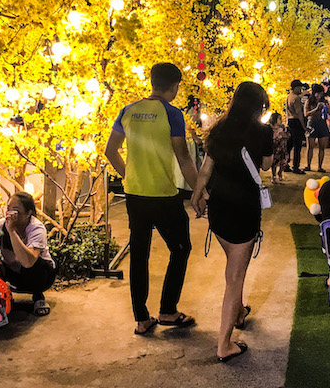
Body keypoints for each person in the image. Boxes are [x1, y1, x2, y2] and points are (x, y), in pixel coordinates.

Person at [105, 62, 198, 336]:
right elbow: (183, 158)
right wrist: (201, 192)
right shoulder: (172, 114)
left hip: (135, 195)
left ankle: (142, 319)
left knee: (139, 255)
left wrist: (128, 176)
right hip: (163, 195)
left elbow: (111, 151)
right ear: (175, 86)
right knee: (180, 249)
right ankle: (168, 311)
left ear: (152, 81)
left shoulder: (128, 110)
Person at [191, 82, 273, 363]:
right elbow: (265, 166)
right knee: (235, 277)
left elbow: (206, 167)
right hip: (244, 209)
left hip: (219, 207)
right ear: (258, 105)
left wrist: (198, 193)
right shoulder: (262, 131)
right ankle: (224, 344)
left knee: (234, 265)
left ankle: (238, 314)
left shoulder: (218, 130)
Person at [0, 192, 57, 315]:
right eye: (8, 209)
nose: (10, 214)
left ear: (28, 213)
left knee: (34, 260)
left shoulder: (36, 228)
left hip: (39, 275)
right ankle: (3, 296)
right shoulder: (2, 225)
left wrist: (12, 232)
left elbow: (28, 262)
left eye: (15, 211)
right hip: (13, 272)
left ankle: (38, 295)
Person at [304, 83, 330, 172]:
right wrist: (316, 109)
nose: (319, 95)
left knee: (322, 147)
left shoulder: (325, 102)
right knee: (310, 146)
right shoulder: (309, 102)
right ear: (314, 93)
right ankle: (308, 165)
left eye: (321, 93)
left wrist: (327, 108)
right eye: (317, 93)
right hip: (312, 123)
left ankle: (320, 166)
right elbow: (306, 114)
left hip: (322, 123)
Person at [285, 80, 306, 175]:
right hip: (296, 122)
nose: (301, 89)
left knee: (289, 145)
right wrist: (304, 126)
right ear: (296, 87)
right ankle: (296, 166)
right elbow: (299, 113)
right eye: (300, 87)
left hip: (289, 121)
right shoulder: (296, 98)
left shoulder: (289, 97)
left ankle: (285, 164)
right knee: (297, 146)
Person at [268, 112, 290, 183]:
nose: (281, 120)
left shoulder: (283, 128)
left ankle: (280, 172)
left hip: (282, 148)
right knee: (274, 163)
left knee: (284, 162)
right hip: (274, 148)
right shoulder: (270, 129)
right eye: (279, 119)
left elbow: (287, 136)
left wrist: (284, 133)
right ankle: (273, 175)